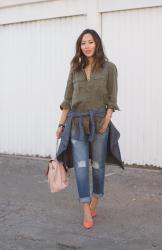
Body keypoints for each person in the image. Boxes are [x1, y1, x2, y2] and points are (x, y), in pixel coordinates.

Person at [56, 29, 123, 229]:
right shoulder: (75, 68)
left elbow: (112, 97)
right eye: (83, 43)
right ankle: (86, 208)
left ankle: (96, 199)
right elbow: (67, 99)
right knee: (82, 167)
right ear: (80, 46)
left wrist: (107, 119)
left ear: (97, 44)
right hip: (76, 123)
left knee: (98, 166)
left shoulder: (109, 68)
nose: (87, 46)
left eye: (90, 42)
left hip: (99, 121)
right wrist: (61, 124)